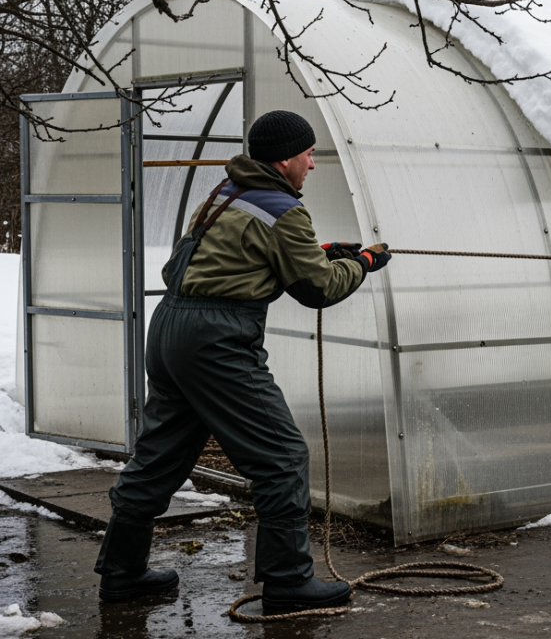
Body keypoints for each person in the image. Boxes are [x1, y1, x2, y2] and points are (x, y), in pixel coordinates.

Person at [94, 110, 392, 614]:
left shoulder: (224, 194)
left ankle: (122, 573)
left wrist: (320, 250)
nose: (312, 164)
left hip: (170, 329)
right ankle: (288, 582)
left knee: (160, 456)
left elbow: (223, 258)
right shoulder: (283, 209)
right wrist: (362, 263)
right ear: (284, 159)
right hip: (217, 341)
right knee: (282, 458)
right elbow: (317, 289)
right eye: (308, 154)